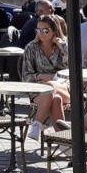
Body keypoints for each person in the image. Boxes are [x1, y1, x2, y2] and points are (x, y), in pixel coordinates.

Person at [20, 14, 71, 142]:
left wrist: (62, 45)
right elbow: (26, 77)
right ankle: (64, 142)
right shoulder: (31, 48)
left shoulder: (63, 47)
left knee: (50, 87)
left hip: (63, 86)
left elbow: (72, 69)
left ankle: (36, 124)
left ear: (55, 31)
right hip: (38, 90)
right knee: (56, 99)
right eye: (38, 30)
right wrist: (40, 76)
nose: (41, 33)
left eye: (46, 30)